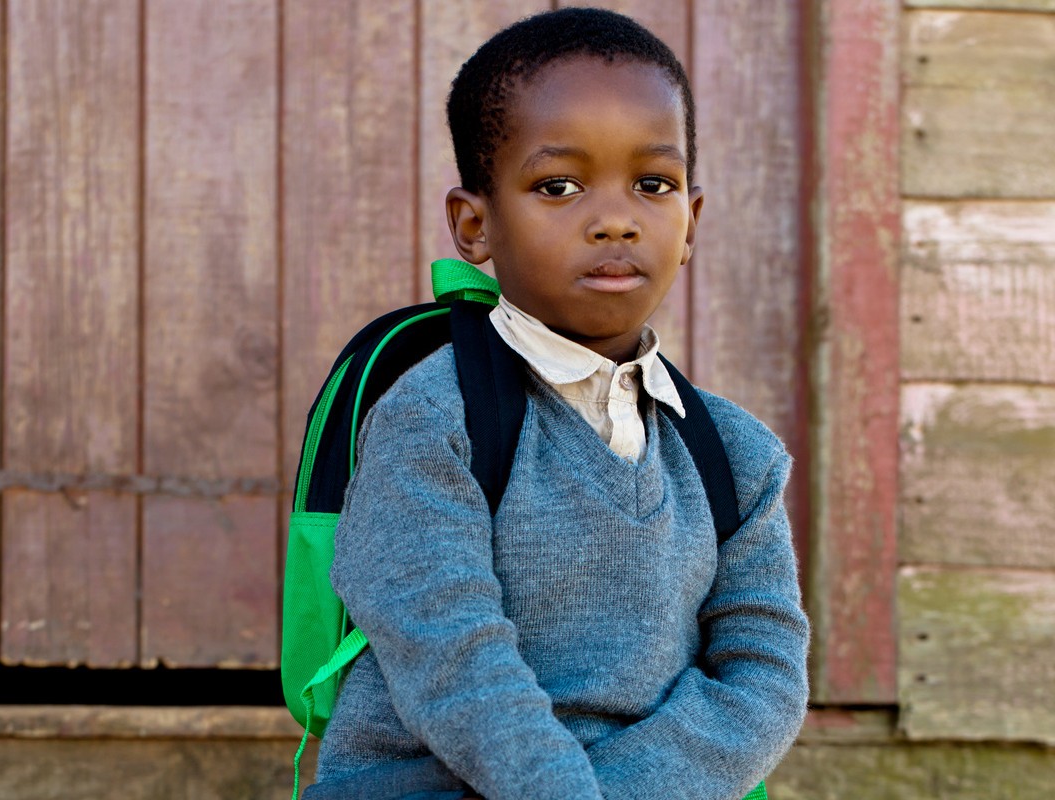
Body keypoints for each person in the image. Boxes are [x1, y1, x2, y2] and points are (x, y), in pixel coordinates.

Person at [303, 8, 809, 800]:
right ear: (475, 225)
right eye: (558, 185)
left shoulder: (736, 459)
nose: (614, 219)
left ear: (690, 223)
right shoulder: (438, 422)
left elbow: (763, 677)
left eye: (653, 184)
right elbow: (451, 658)